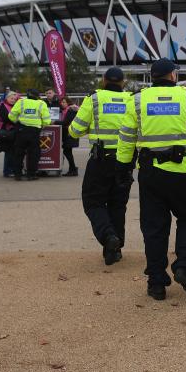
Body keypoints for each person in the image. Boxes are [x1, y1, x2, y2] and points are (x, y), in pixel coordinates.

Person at [116, 58, 186, 300]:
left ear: (152, 76)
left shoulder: (137, 100)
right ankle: (184, 266)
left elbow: (126, 137)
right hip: (182, 171)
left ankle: (156, 282)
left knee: (154, 228)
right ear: (173, 75)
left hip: (151, 174)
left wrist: (123, 168)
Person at [69, 67, 134, 265]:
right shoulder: (132, 99)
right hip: (126, 159)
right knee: (118, 204)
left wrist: (90, 127)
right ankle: (115, 249)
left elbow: (75, 131)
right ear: (123, 82)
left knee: (93, 202)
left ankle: (108, 237)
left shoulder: (94, 99)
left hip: (101, 160)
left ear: (103, 80)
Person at [8, 89, 51, 181]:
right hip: (34, 131)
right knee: (34, 153)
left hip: (21, 130)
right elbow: (47, 120)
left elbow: (11, 116)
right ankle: (31, 174)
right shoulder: (41, 103)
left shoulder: (21, 102)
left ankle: (18, 174)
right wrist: (42, 125)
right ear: (37, 96)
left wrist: (17, 122)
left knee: (19, 153)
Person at [0, 92, 20, 177]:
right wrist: (18, 121)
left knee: (14, 151)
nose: (13, 100)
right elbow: (6, 118)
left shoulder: (14, 106)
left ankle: (12, 170)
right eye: (11, 98)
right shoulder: (2, 106)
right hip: (6, 131)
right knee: (9, 152)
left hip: (13, 131)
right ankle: (7, 171)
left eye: (14, 99)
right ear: (7, 98)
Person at [59, 97, 80, 176]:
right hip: (67, 134)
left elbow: (65, 122)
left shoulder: (70, 110)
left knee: (67, 151)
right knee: (68, 151)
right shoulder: (65, 110)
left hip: (70, 134)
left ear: (68, 103)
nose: (62, 104)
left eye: (64, 102)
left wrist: (54, 122)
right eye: (62, 102)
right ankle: (73, 169)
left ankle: (73, 169)